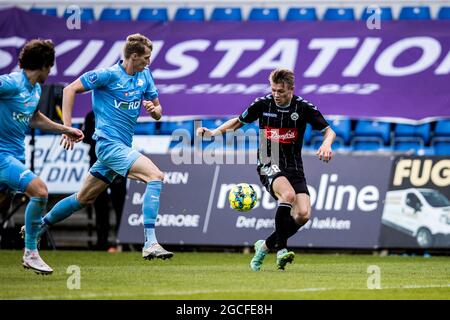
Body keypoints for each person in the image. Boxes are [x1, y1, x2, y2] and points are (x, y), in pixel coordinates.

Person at [39, 34, 173, 260]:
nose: (149, 62)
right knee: (155, 176)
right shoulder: (108, 75)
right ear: (133, 56)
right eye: (146, 58)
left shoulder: (145, 76)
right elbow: (69, 89)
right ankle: (150, 242)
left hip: (120, 148)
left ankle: (37, 227)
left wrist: (154, 111)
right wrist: (67, 128)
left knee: (83, 198)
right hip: (108, 146)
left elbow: (159, 111)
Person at [197, 68, 336, 271]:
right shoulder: (262, 104)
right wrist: (214, 132)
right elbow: (238, 122)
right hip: (267, 159)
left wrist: (326, 144)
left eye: (281, 91)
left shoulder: (303, 107)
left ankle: (264, 247)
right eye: (273, 90)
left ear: (291, 89)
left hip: (294, 165)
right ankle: (281, 250)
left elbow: (329, 131)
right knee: (287, 195)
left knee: (303, 214)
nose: (276, 95)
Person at [0, 39, 84, 274]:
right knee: (40, 191)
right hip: (2, 156)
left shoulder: (35, 89)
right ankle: (31, 253)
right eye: (51, 66)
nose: (52, 71)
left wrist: (65, 129)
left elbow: (34, 118)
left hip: (16, 154)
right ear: (45, 65)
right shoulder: (11, 83)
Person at [82, 110, 127, 251]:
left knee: (119, 204)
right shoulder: (91, 115)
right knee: (99, 205)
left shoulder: (119, 112)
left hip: (117, 163)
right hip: (98, 163)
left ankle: (122, 241)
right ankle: (102, 241)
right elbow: (86, 137)